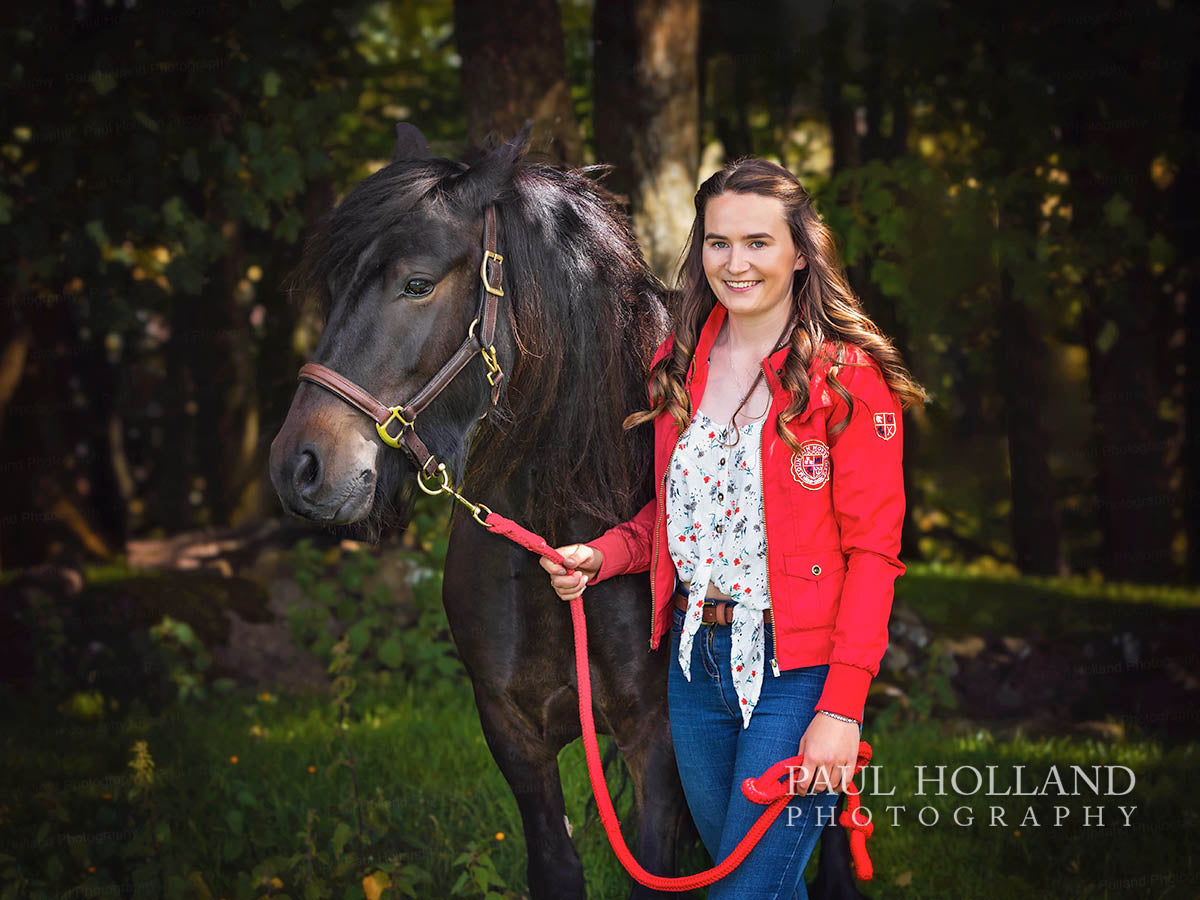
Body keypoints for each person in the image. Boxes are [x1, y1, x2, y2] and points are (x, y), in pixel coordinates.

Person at [539, 157, 925, 899]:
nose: (736, 262)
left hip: (798, 671)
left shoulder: (848, 380)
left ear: (800, 252)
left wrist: (841, 708)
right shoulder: (678, 365)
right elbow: (680, 514)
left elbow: (874, 554)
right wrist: (604, 554)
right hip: (695, 665)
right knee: (763, 884)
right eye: (719, 243)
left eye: (757, 242)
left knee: (742, 891)